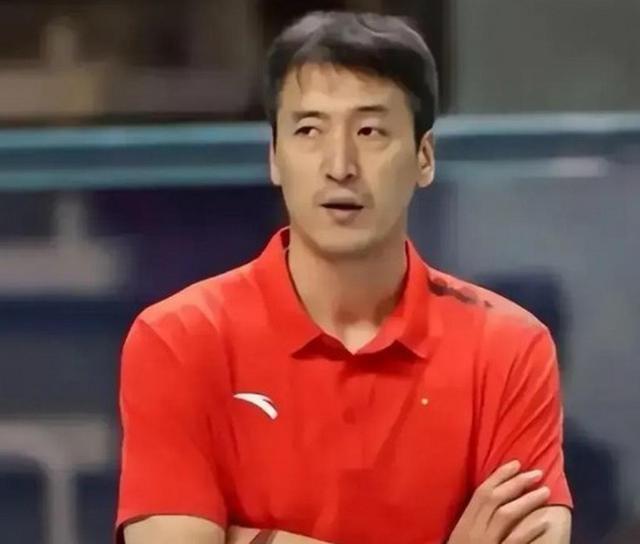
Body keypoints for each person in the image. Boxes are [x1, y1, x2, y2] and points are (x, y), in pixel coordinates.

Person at [116, 11, 572, 544]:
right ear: (275, 157)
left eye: (370, 130)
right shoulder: (178, 339)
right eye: (309, 130)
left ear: (424, 157)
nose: (340, 165)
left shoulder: (509, 347)